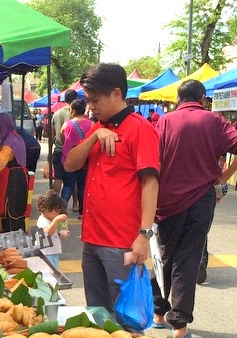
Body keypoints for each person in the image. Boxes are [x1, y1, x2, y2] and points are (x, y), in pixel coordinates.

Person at [150, 79, 237, 338]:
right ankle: (179, 326)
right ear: (204, 98)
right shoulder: (214, 120)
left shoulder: (164, 121)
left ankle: (158, 314)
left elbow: (153, 158)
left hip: (167, 199)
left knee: (164, 254)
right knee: (189, 257)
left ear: (177, 98)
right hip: (200, 199)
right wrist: (225, 175)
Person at [64, 63, 159, 313]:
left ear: (116, 94)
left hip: (121, 243)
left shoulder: (140, 129)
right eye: (87, 100)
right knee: (97, 314)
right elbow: (70, 163)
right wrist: (95, 137)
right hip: (92, 238)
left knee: (127, 317)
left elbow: (151, 184)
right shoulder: (99, 127)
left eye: (94, 100)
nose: (90, 107)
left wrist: (144, 235)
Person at [59, 98, 92, 216]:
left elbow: (62, 140)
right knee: (82, 186)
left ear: (73, 110)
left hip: (68, 160)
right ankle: (82, 212)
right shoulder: (91, 124)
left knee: (68, 185)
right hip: (84, 160)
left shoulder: (66, 124)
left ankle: (61, 211)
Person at [49, 88, 78, 194]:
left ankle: (52, 204)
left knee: (58, 178)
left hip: (58, 150)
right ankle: (75, 204)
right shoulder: (75, 114)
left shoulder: (56, 114)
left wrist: (49, 155)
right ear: (76, 99)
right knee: (72, 181)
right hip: (71, 152)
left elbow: (51, 136)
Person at [35, 190, 69, 268]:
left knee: (54, 273)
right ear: (47, 209)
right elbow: (47, 233)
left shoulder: (49, 220)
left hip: (52, 253)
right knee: (50, 275)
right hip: (46, 254)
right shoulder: (42, 221)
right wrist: (56, 220)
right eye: (56, 211)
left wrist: (60, 233)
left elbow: (52, 231)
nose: (58, 214)